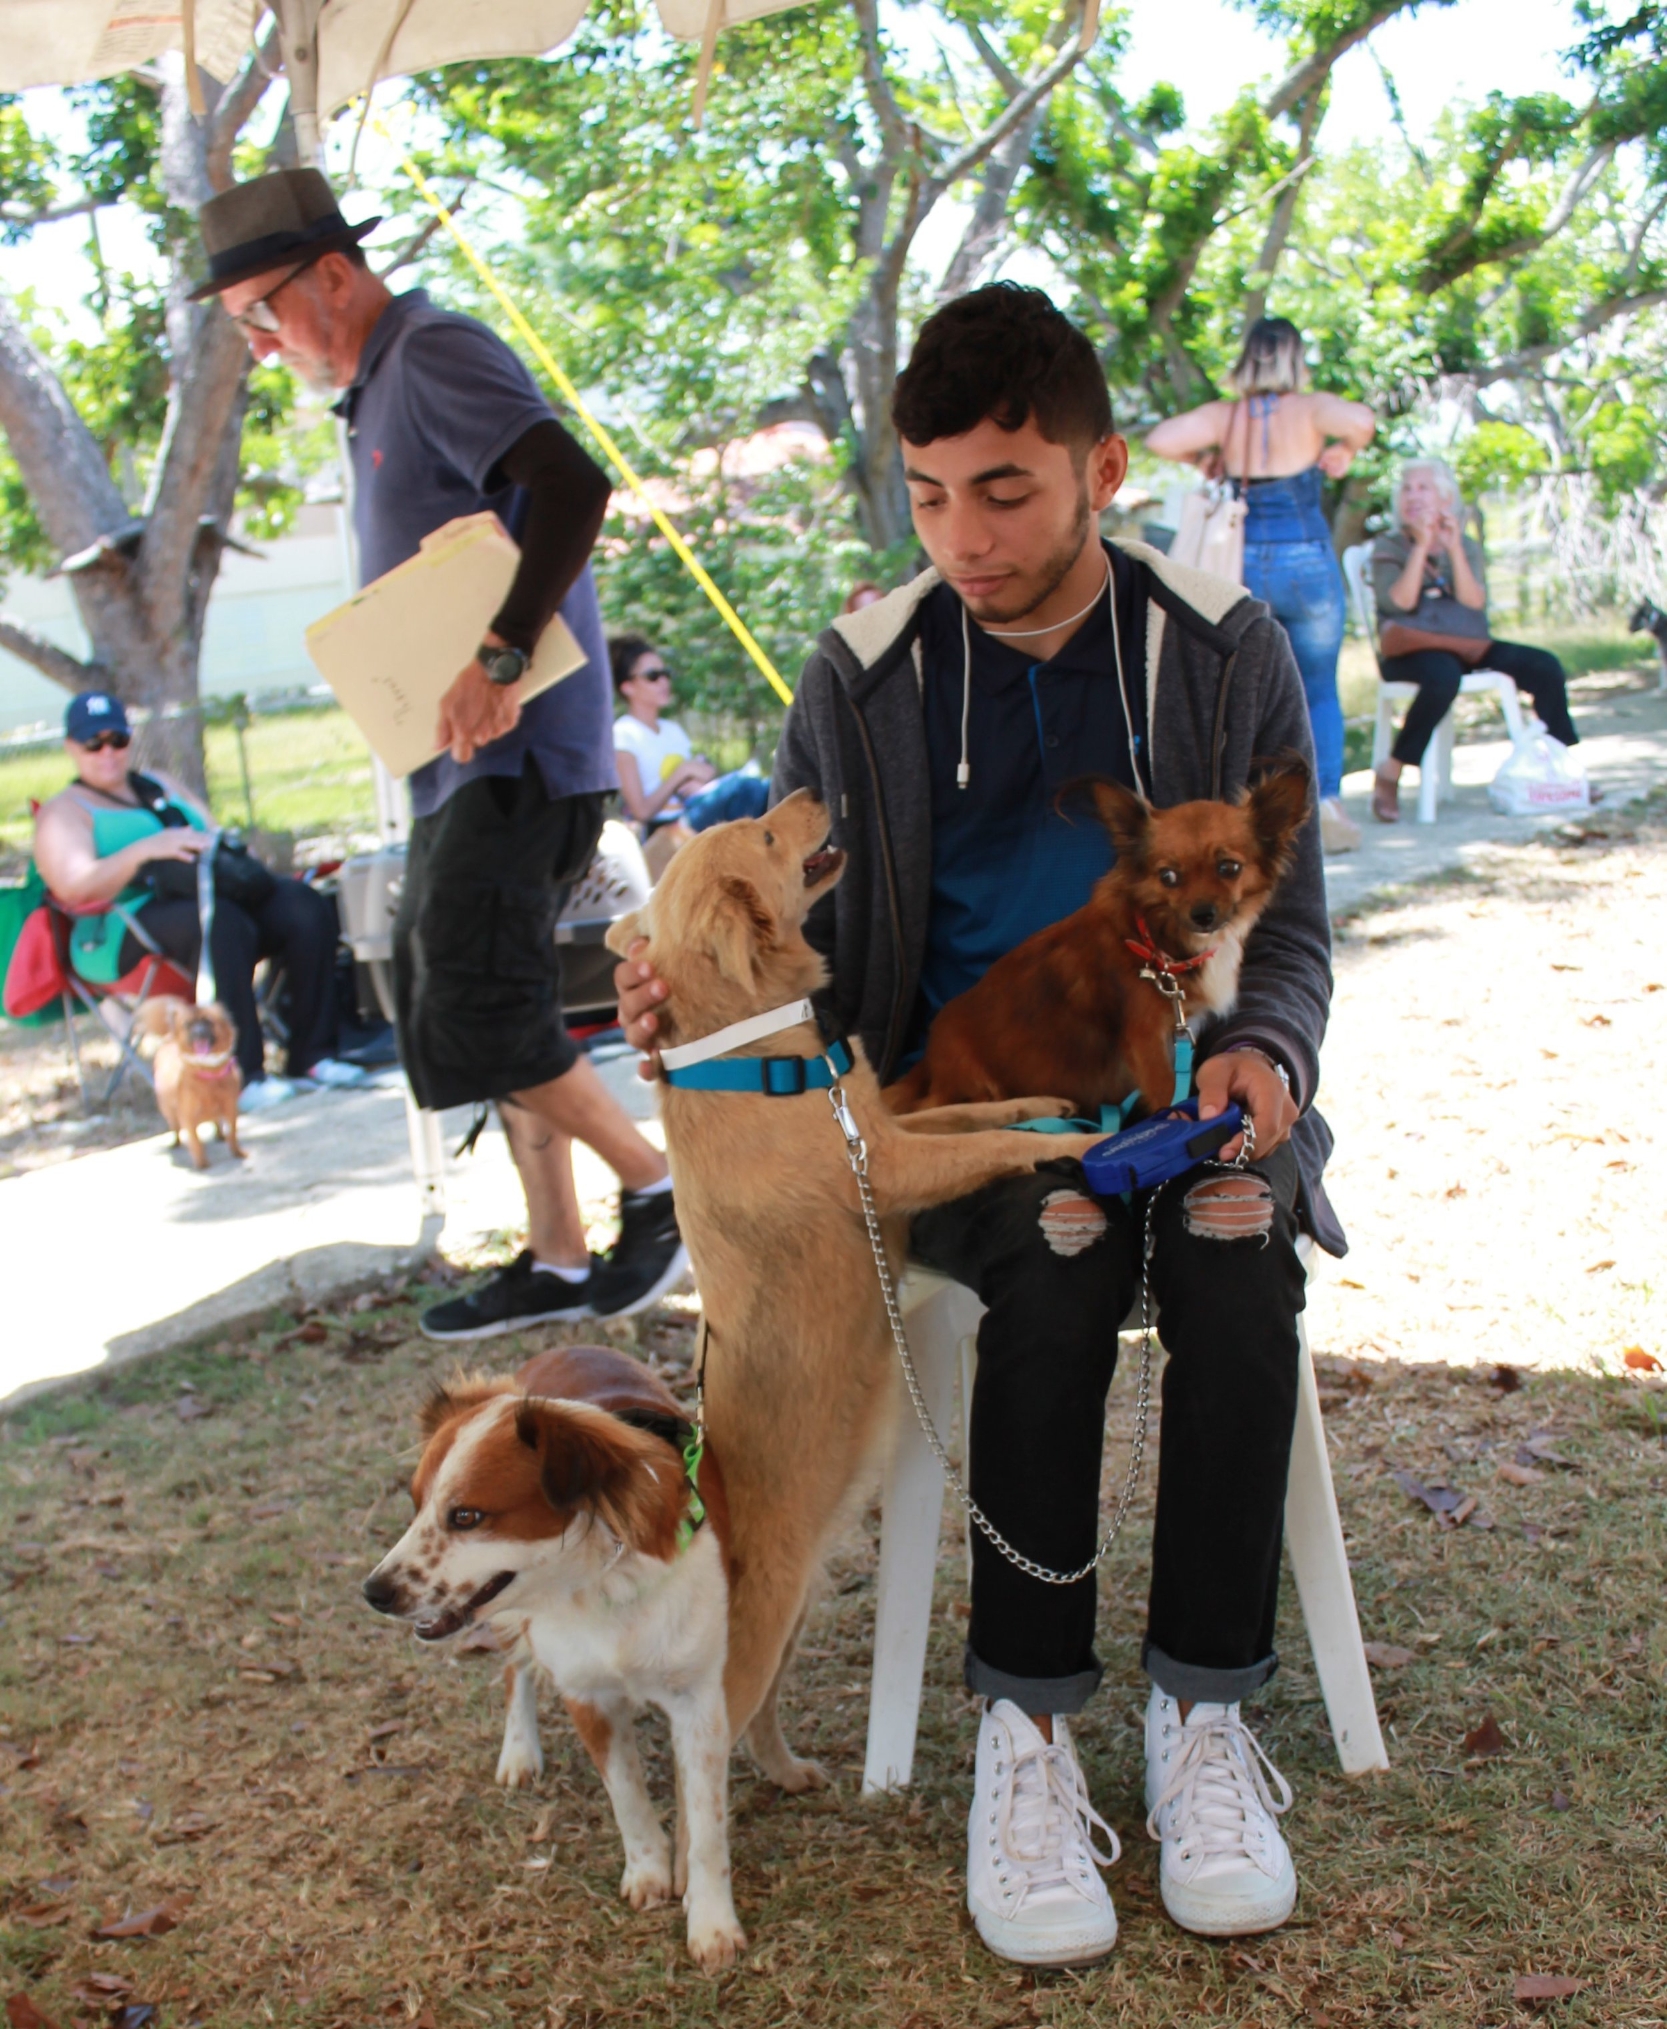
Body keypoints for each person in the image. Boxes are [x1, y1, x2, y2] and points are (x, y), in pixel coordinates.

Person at [619, 284, 1341, 1967]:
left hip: (1190, 1082)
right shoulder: (863, 674)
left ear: (1099, 472)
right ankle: (1024, 1730)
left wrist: (1276, 1055)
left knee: (1237, 1251)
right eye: (932, 492)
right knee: (1059, 1256)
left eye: (1005, 489)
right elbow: (782, 938)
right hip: (952, 1110)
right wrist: (688, 1010)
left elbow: (1289, 925)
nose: (964, 533)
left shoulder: (1220, 646)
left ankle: (1204, 1708)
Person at [194, 166, 685, 1333]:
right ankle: (558, 1257)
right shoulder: (374, 389)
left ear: (331, 272)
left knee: (466, 998)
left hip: (516, 752)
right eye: (240, 333)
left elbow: (570, 485)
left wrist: (504, 655)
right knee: (454, 986)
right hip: (455, 760)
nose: (263, 348)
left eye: (264, 314)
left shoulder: (430, 352)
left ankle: (660, 1184)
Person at [32, 690, 359, 1109]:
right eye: (93, 743)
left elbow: (212, 831)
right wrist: (147, 850)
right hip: (120, 926)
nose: (107, 752)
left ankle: (314, 1055)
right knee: (219, 923)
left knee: (302, 905)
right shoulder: (64, 812)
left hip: (205, 892)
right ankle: (241, 1075)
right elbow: (75, 886)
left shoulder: (160, 785)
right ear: (71, 748)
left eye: (118, 739)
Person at [1146, 316, 1375, 856]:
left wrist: (1206, 457)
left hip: (1243, 560)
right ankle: (1327, 803)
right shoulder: (1313, 407)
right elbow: (1362, 419)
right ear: (1296, 357)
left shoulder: (1227, 417)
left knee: (1249, 689)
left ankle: (1251, 807)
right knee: (1318, 685)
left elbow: (1160, 438)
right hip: (1306, 559)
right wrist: (1345, 451)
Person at [1369, 458, 1580, 822]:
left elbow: (1473, 601)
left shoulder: (1464, 545)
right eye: (1406, 488)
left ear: (1446, 497)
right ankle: (1393, 768)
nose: (1413, 496)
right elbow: (1399, 602)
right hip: (1410, 651)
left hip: (1467, 646)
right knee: (1443, 674)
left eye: (1424, 488)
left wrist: (1450, 548)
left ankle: (1562, 771)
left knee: (1544, 666)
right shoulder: (1388, 546)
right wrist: (1419, 547)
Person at [609, 634, 771, 837]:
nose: (663, 682)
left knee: (764, 790)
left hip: (692, 809)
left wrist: (700, 776)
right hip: (664, 829)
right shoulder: (624, 734)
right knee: (746, 790)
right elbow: (641, 811)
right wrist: (681, 773)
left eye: (665, 674)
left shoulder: (672, 730)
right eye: (653, 676)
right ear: (627, 686)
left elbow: (694, 777)